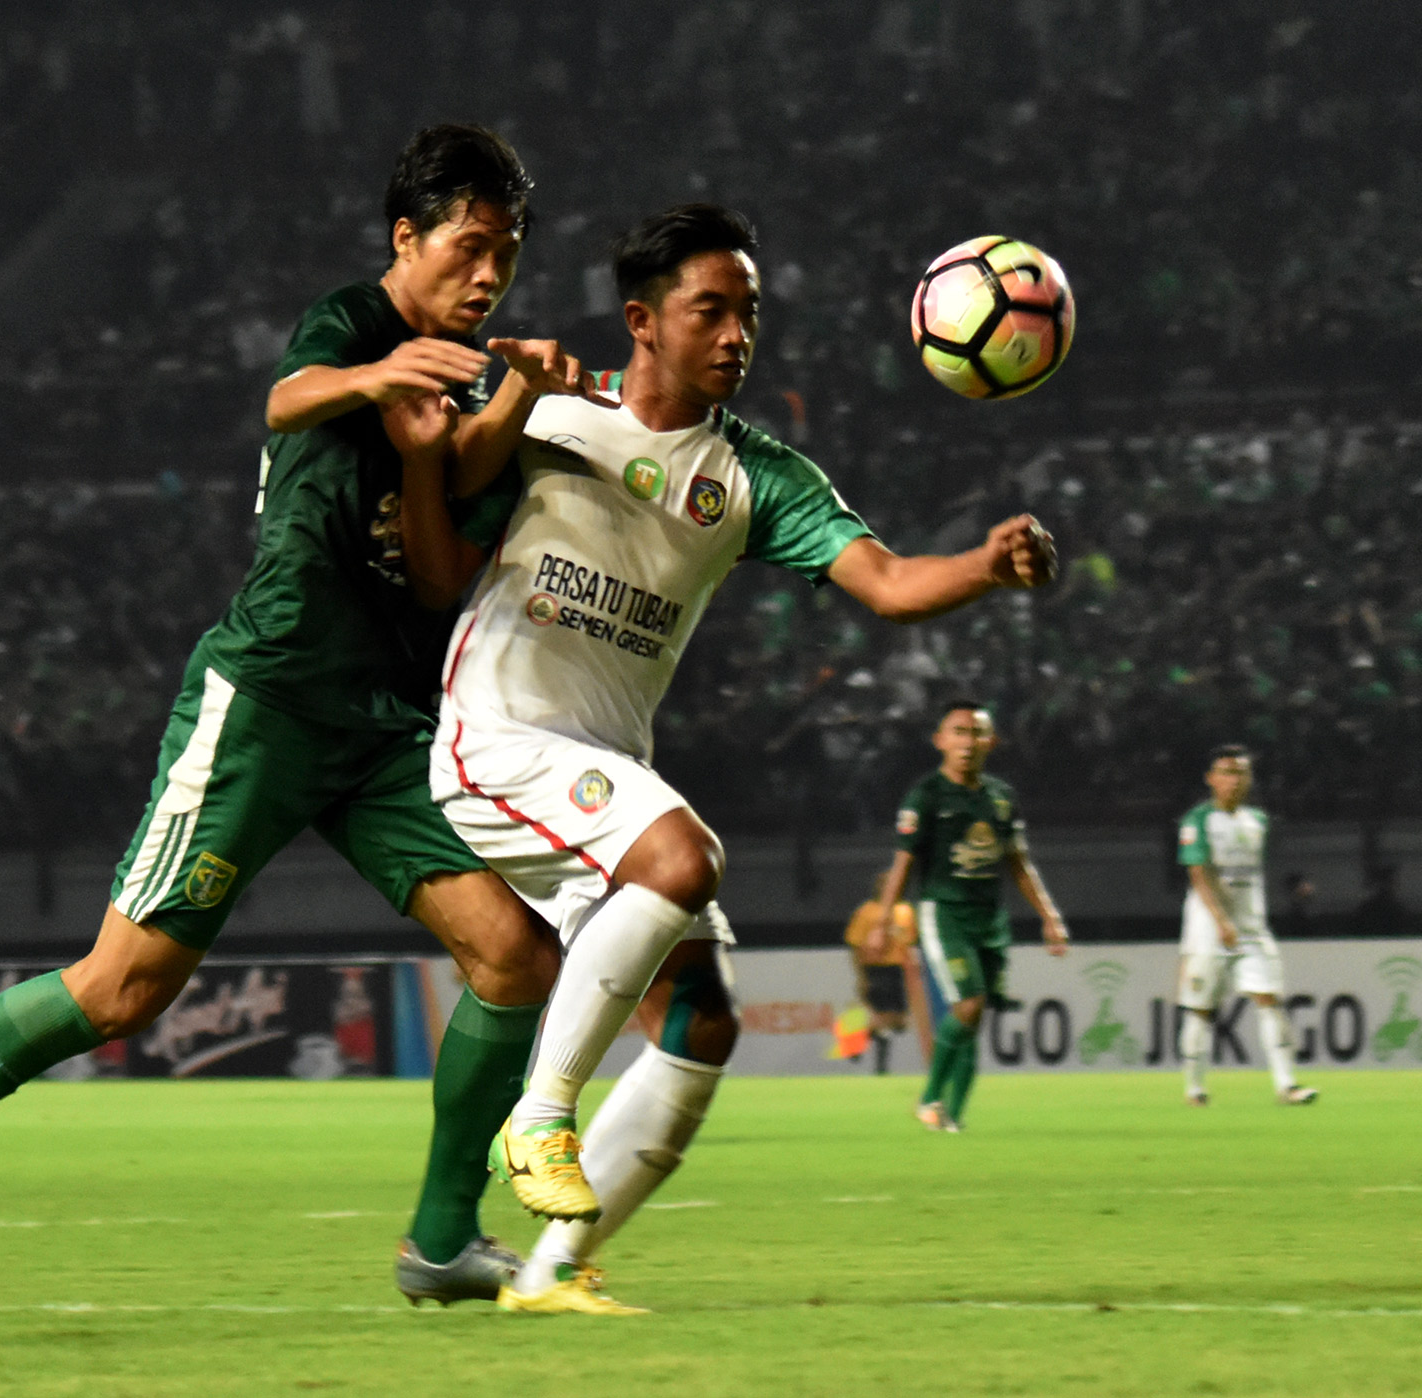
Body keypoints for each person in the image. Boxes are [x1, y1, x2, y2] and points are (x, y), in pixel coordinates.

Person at [0, 125, 602, 1305]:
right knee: (124, 990)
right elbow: (286, 399)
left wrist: (509, 398)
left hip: (377, 728)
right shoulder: (356, 324)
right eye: (470, 248)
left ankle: (438, 1245)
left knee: (514, 954)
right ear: (406, 239)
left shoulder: (466, 372)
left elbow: (436, 572)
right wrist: (383, 379)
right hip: (267, 701)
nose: (489, 278)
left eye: (507, 255)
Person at [417, 204, 1059, 1313]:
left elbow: (891, 584)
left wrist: (986, 568)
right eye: (708, 310)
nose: (735, 335)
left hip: (596, 777)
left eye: (748, 314)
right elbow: (427, 495)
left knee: (703, 1018)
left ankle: (548, 1275)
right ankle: (540, 1115)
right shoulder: (551, 414)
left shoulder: (758, 476)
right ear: (642, 321)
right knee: (681, 858)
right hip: (497, 743)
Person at [871, 701, 1068, 1132]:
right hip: (946, 914)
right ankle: (929, 1099)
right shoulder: (926, 796)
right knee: (968, 1005)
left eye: (977, 733)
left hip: (991, 918)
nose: (968, 742)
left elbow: (1019, 861)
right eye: (958, 731)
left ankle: (952, 1118)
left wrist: (1049, 916)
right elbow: (902, 863)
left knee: (974, 1016)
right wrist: (883, 920)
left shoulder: (1001, 797)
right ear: (940, 741)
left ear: (991, 742)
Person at [1175, 744, 1318, 1106]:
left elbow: (1272, 865)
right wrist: (1221, 920)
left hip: (1251, 929)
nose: (1234, 779)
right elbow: (1198, 874)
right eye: (1226, 771)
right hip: (1209, 930)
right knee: (1202, 1008)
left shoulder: (1258, 821)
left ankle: (1287, 1086)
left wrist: (1296, 885)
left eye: (1241, 772)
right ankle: (1195, 1089)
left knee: (1270, 1001)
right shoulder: (1198, 821)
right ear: (1211, 779)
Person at [842, 871, 916, 1074]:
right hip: (877, 969)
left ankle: (857, 1037)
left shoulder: (905, 911)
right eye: (884, 884)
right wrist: (861, 976)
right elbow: (855, 945)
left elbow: (907, 944)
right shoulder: (867, 912)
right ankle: (878, 1065)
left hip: (898, 971)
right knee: (884, 1017)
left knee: (900, 1023)